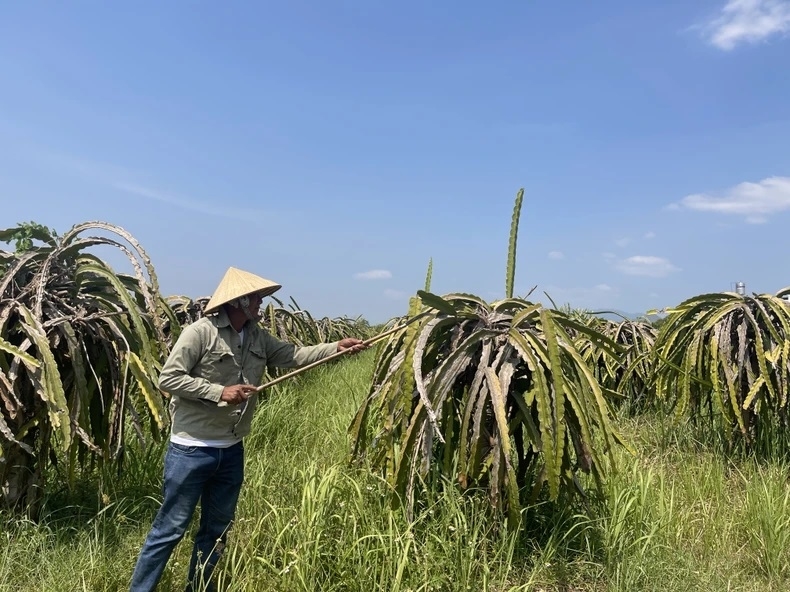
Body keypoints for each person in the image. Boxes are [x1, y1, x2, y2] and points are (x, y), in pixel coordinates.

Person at [130, 267, 367, 591]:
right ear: (239, 301)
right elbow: (168, 378)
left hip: (231, 450)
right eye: (256, 298)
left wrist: (335, 347)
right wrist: (219, 391)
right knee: (170, 529)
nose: (261, 304)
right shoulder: (200, 333)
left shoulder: (256, 336)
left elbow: (293, 355)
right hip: (192, 450)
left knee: (216, 531)